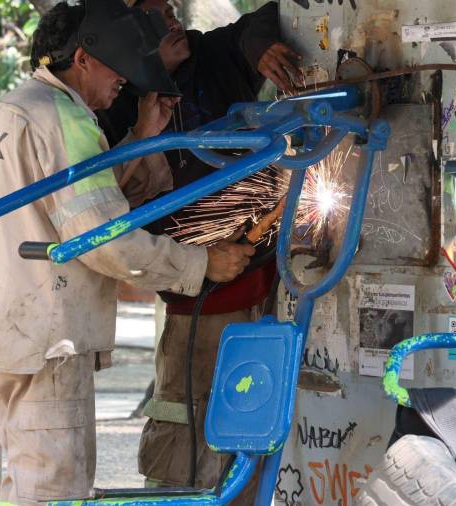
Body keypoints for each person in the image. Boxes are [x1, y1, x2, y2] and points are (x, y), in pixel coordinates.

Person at [0, 1, 254, 505]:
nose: (125, 84)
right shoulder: (64, 119)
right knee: (55, 489)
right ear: (85, 58)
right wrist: (201, 264)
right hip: (43, 332)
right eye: (121, 70)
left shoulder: (22, 104)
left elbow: (78, 200)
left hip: (5, 324)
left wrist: (141, 138)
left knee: (29, 479)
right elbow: (101, 238)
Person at [97, 1, 302, 502]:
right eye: (153, 16)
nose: (171, 20)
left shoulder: (211, 55)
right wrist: (151, 84)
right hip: (196, 301)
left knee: (259, 425)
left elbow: (270, 16)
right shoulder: (117, 104)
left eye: (170, 9)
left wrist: (260, 52)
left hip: (268, 286)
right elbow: (110, 212)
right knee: (188, 432)